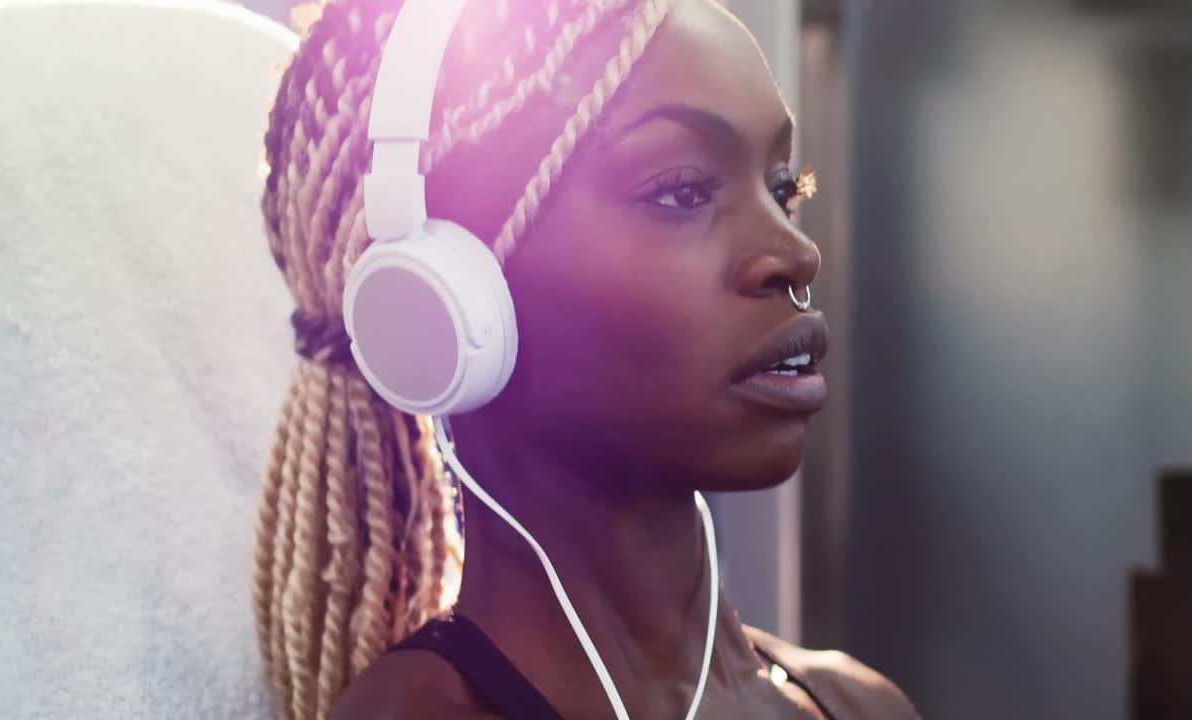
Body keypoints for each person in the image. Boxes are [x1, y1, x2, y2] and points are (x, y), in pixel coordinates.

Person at [255, 0, 920, 717]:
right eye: (683, 190)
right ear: (444, 297)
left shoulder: (860, 706)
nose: (796, 253)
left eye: (784, 189)